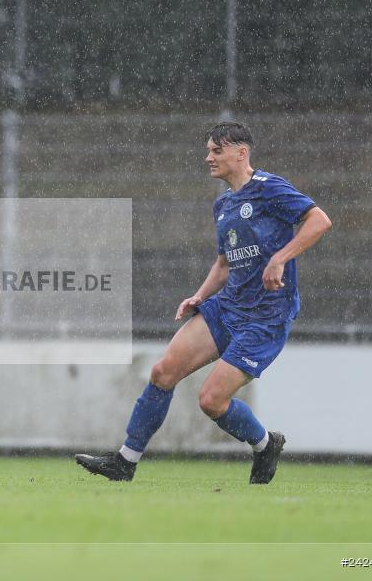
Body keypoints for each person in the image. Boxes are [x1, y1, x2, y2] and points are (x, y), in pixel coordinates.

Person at [76, 121, 332, 484]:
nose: (208, 157)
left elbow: (319, 221)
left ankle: (264, 444)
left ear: (241, 153)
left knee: (211, 401)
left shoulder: (269, 188)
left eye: (216, 150)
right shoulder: (223, 204)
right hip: (226, 308)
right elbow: (225, 263)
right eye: (208, 150)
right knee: (163, 372)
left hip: (265, 318)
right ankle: (125, 462)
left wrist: (280, 258)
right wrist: (200, 295)